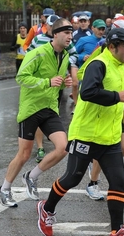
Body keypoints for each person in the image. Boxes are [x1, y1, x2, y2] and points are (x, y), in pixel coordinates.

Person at [36, 28, 124, 236]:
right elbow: (87, 93)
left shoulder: (120, 66)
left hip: (109, 136)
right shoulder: (99, 64)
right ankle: (46, 209)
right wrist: (118, 97)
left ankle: (117, 230)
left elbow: (113, 98)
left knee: (118, 180)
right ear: (112, 46)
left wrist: (123, 112)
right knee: (72, 178)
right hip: (86, 134)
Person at [0, 18, 73, 207]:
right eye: (66, 32)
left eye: (71, 33)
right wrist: (47, 82)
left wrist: (64, 81)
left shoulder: (65, 56)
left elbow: (57, 79)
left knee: (63, 147)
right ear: (55, 34)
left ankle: (31, 176)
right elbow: (21, 77)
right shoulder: (38, 53)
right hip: (31, 109)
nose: (70, 36)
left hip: (49, 108)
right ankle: (4, 189)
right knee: (24, 154)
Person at [78, 17, 124, 201]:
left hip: (121, 101)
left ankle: (97, 161)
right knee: (106, 147)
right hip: (105, 102)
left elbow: (122, 72)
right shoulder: (102, 50)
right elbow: (84, 73)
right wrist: (105, 91)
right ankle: (93, 183)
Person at [27, 14, 78, 163]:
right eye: (49, 24)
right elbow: (29, 55)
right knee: (38, 113)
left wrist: (68, 71)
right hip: (40, 85)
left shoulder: (65, 42)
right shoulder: (38, 40)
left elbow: (73, 55)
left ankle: (56, 139)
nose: (49, 27)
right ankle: (41, 146)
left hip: (57, 84)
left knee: (51, 112)